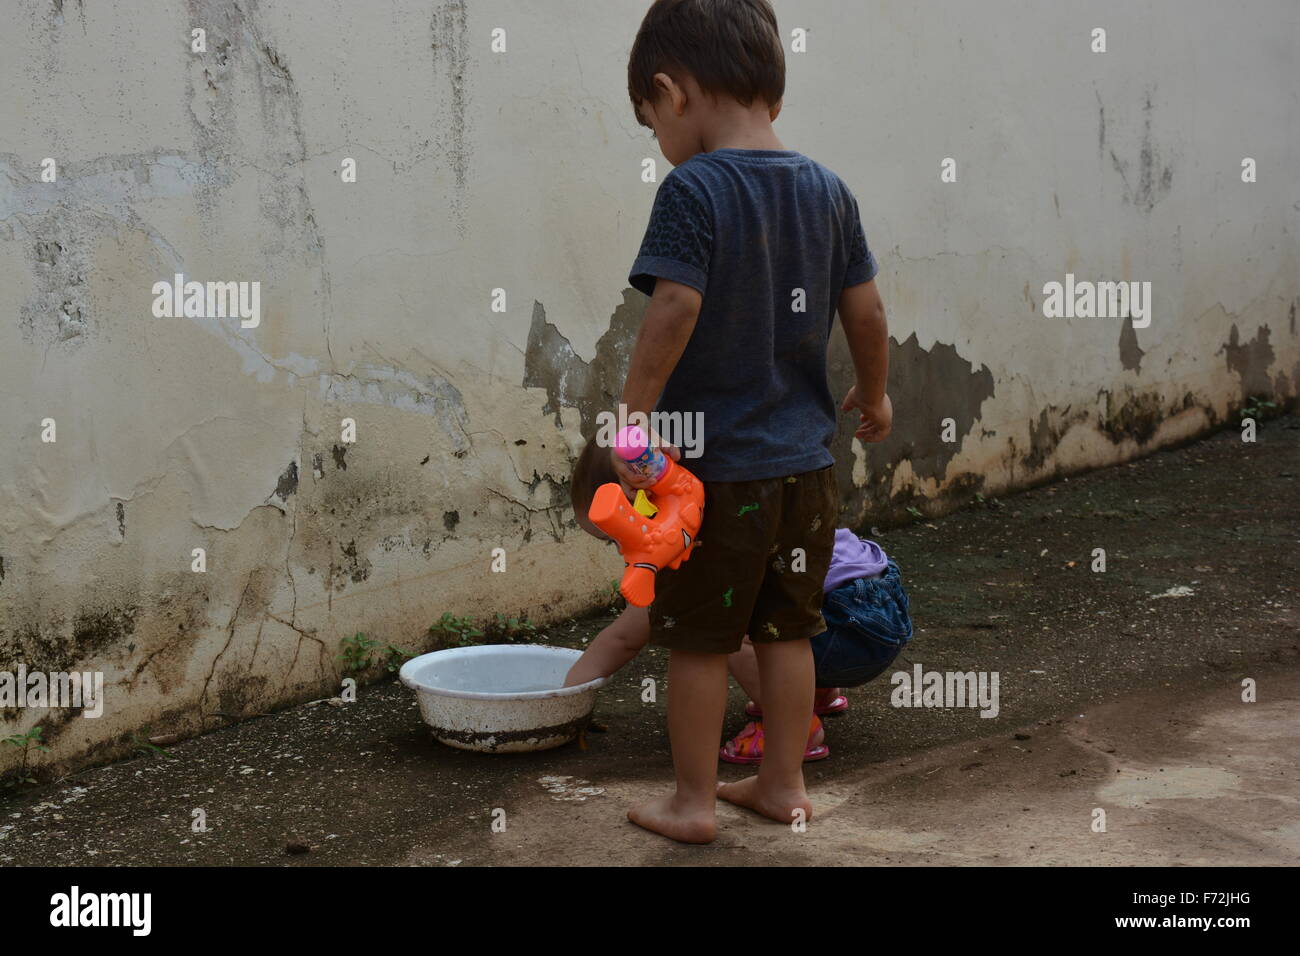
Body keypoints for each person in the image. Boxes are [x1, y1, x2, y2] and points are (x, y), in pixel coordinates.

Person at [602, 0, 892, 843]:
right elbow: (867, 312)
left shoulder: (694, 188)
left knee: (700, 639)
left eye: (651, 120)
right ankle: (783, 786)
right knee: (787, 632)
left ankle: (692, 804)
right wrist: (876, 395)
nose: (660, 137)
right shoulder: (829, 191)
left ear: (673, 92)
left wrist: (632, 417)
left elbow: (675, 305)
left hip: (717, 473)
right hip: (807, 471)